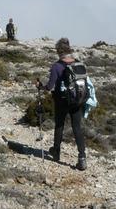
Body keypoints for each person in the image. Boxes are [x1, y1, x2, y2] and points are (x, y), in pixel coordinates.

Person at [38, 38, 87, 171]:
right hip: (77, 100)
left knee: (59, 125)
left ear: (59, 51)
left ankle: (56, 152)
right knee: (77, 127)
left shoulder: (56, 66)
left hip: (61, 100)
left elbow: (50, 86)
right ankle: (82, 157)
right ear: (69, 49)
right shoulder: (78, 64)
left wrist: (41, 86)